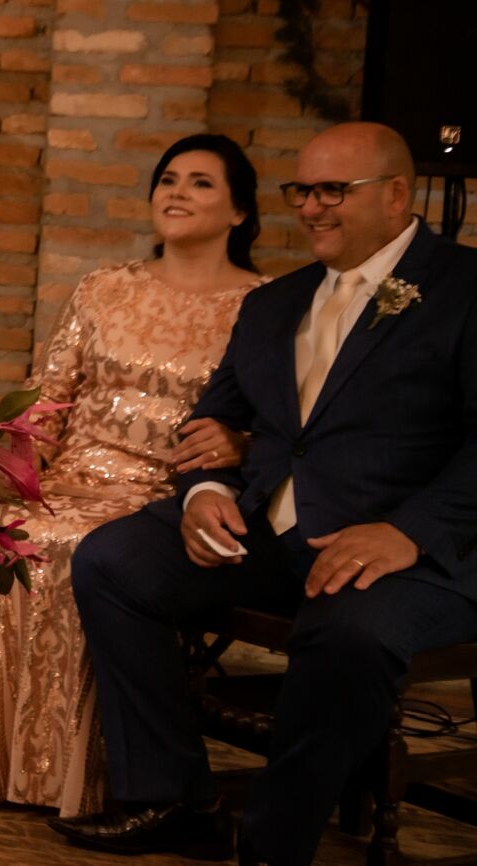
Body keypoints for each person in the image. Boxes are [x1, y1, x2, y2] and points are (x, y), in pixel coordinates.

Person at [56, 122, 477, 866]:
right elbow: (216, 417)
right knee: (113, 561)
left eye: (331, 192)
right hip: (271, 530)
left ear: (396, 195)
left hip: (414, 552)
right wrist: (206, 490)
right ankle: (174, 798)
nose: (311, 208)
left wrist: (406, 531)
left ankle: (273, 847)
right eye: (301, 191)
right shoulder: (276, 303)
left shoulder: (465, 290)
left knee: (347, 634)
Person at [0, 134, 264, 817]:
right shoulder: (103, 289)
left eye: (201, 182)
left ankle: (93, 781)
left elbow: (274, 420)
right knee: (19, 531)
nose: (176, 191)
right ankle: (16, 770)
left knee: (88, 549)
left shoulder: (264, 305)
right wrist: (13, 473)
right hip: (71, 479)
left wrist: (239, 444)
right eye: (168, 178)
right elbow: (49, 396)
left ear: (239, 212)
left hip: (163, 497)